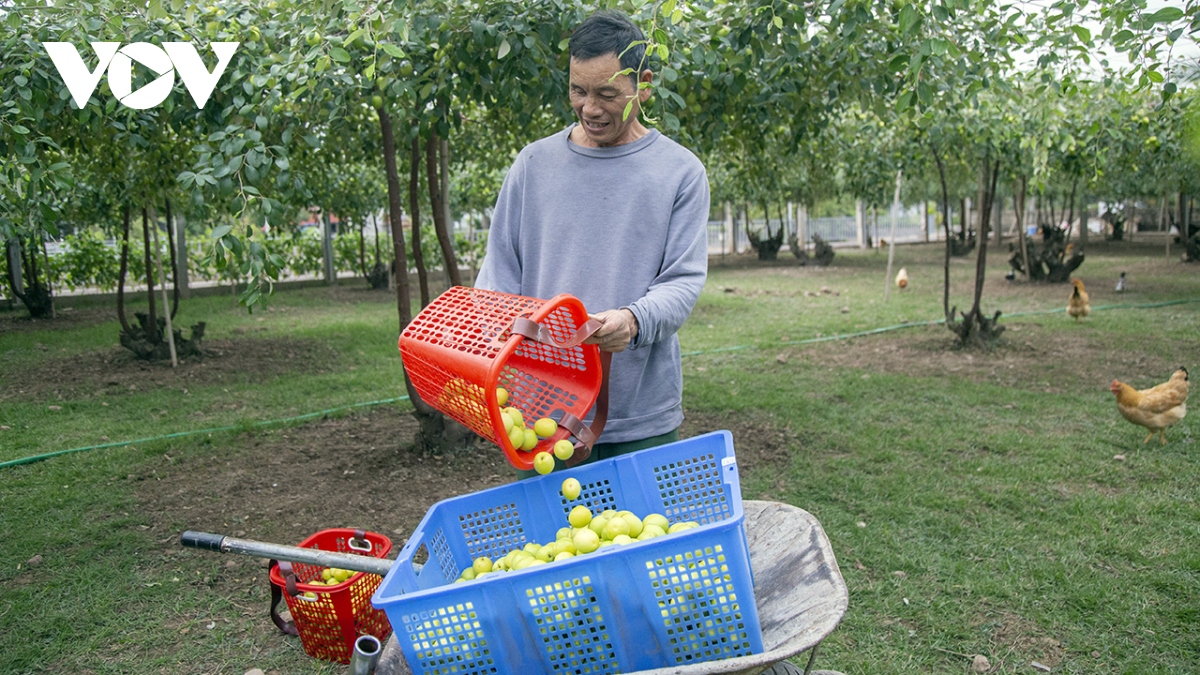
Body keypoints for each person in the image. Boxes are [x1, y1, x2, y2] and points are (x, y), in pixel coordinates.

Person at [474, 9, 710, 474]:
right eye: (577, 91)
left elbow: (682, 281)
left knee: (644, 539)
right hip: (541, 413)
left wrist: (634, 319)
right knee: (554, 545)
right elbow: (497, 276)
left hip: (639, 412)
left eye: (606, 93)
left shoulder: (680, 173)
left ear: (643, 85)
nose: (589, 108)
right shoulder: (533, 165)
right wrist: (488, 350)